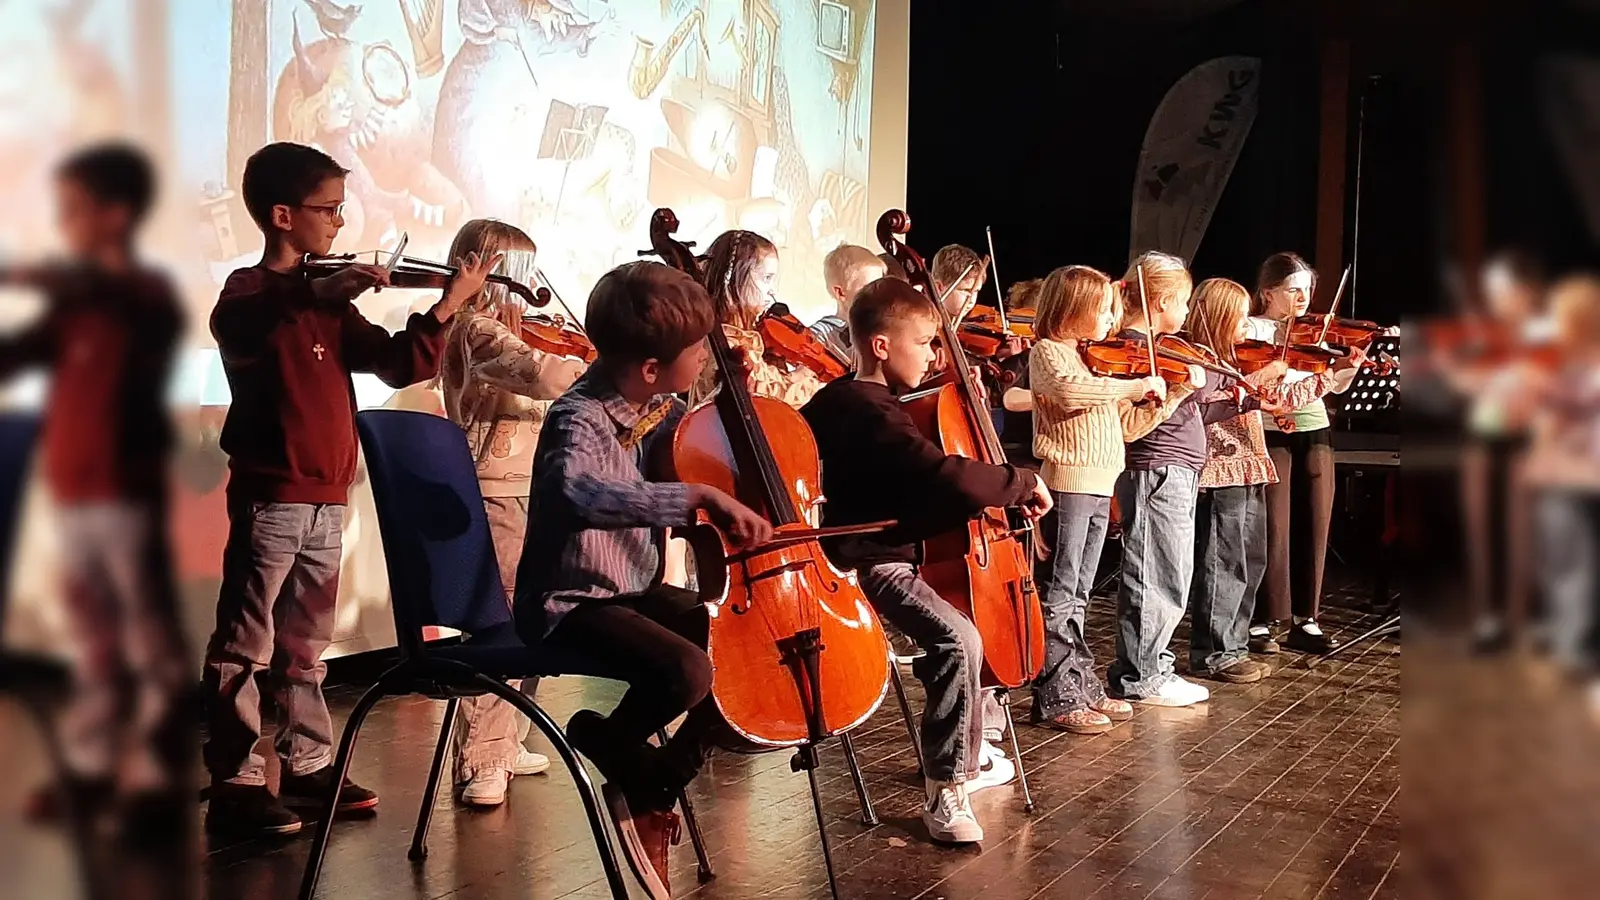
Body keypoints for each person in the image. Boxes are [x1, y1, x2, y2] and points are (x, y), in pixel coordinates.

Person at [200, 141, 496, 837]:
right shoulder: (249, 292)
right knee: (246, 644)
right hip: (273, 496)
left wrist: (448, 303)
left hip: (328, 496)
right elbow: (242, 328)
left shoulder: (332, 309)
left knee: (307, 644)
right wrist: (313, 290)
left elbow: (397, 365)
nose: (340, 222)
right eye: (327, 210)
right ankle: (238, 781)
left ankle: (306, 764)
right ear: (281, 216)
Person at [513, 261, 772, 900]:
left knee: (749, 655)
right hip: (569, 602)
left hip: (627, 588)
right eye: (695, 350)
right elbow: (577, 491)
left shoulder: (642, 411)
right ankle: (629, 766)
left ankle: (646, 777)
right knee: (688, 671)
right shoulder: (578, 418)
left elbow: (639, 494)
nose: (703, 356)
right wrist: (694, 498)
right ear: (651, 368)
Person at [801, 278, 1052, 844]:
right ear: (882, 345)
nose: (936, 356)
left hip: (894, 552)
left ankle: (963, 752)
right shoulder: (861, 408)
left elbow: (920, 483)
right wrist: (1020, 482)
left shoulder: (860, 402)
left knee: (971, 631)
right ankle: (946, 787)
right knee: (958, 638)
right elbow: (937, 475)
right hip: (865, 562)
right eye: (925, 342)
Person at [0, 143, 191, 845]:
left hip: (125, 493)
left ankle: (147, 774)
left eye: (75, 211)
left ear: (117, 217)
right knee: (93, 638)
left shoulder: (143, 295)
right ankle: (90, 766)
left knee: (142, 634)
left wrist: (48, 277)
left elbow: (127, 314)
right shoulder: (71, 306)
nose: (64, 224)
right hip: (74, 492)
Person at [434, 219, 587, 806]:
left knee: (530, 617)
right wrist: (598, 363)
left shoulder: (510, 331)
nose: (531, 289)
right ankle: (480, 758)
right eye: (519, 276)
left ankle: (509, 734)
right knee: (497, 625)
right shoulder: (473, 329)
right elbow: (544, 374)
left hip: (529, 489)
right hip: (493, 487)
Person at [1027, 265, 1186, 732]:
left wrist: (1172, 395)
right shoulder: (1049, 353)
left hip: (1101, 482)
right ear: (1072, 309)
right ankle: (1056, 695)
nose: (1111, 318)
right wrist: (1137, 386)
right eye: (1102, 308)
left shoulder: (1094, 361)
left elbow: (1126, 427)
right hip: (1068, 484)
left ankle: (1079, 680)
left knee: (1080, 594)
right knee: (1060, 593)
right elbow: (1071, 393)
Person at [1109, 251, 1255, 708]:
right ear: (1161, 302)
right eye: (1184, 303)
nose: (1189, 313)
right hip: (1158, 467)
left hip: (1177, 468)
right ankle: (1142, 675)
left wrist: (1242, 398)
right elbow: (1162, 406)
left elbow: (1199, 404)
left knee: (1172, 570)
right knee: (1156, 571)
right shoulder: (1137, 348)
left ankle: (1152, 666)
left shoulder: (1166, 348)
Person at [1183, 278, 1333, 683]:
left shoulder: (1233, 360)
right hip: (1221, 469)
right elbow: (1214, 404)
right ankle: (1213, 652)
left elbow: (1271, 399)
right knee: (1224, 560)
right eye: (1236, 319)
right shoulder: (1200, 360)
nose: (1244, 327)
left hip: (1250, 463)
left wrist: (1330, 376)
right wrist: (1270, 372)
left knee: (1251, 559)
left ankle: (1234, 643)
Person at [1245, 252, 1367, 655]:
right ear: (1268, 292)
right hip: (1271, 430)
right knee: (1273, 525)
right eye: (1293, 289)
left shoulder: (1317, 331)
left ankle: (1307, 619)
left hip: (1314, 428)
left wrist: (1348, 366)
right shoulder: (1253, 329)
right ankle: (1263, 618)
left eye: (1308, 290)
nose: (1303, 297)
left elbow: (1334, 387)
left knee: (1315, 522)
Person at [688, 230, 823, 409]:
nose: (772, 290)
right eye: (766, 278)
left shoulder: (745, 336)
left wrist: (793, 375)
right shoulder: (725, 345)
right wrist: (812, 385)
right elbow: (766, 397)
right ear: (733, 279)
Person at [811, 242, 887, 363]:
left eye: (879, 288)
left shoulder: (880, 331)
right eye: (868, 289)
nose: (877, 296)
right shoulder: (821, 335)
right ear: (840, 293)